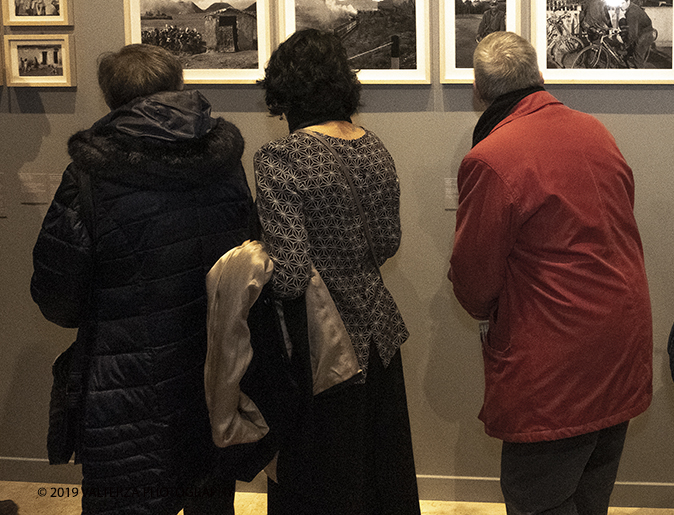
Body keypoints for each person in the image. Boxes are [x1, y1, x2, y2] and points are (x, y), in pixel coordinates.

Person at [31, 43, 253, 514]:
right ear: (176, 85)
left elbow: (58, 298)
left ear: (112, 98)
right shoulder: (224, 160)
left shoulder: (90, 173)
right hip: (211, 373)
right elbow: (245, 260)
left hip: (126, 385)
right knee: (209, 501)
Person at [448, 31, 653, 515]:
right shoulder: (595, 131)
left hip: (556, 361)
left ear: (478, 91)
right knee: (590, 494)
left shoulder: (491, 158)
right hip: (620, 340)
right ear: (539, 76)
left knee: (535, 498)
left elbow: (474, 281)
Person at [253, 28, 420, 515]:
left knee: (321, 481)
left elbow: (288, 274)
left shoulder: (280, 157)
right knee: (378, 473)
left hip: (320, 344)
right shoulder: (374, 146)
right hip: (378, 334)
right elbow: (388, 244)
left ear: (284, 88)